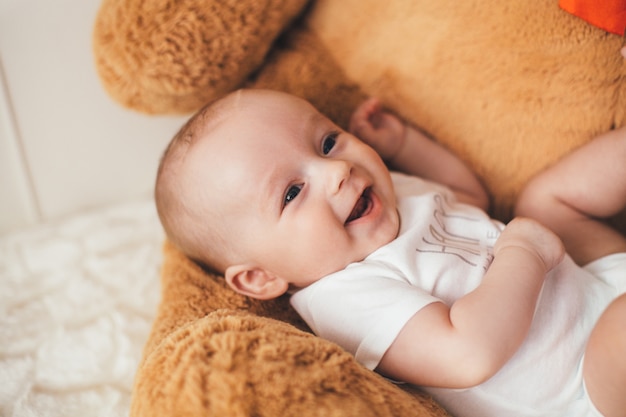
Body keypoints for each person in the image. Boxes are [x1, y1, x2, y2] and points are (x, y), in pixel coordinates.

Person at [155, 88, 626, 417]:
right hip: (582, 383)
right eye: (292, 193)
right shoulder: (345, 296)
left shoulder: (384, 193)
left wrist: (405, 145)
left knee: (548, 197)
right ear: (260, 278)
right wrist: (523, 250)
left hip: (593, 282)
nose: (335, 170)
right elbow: (469, 353)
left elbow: (467, 199)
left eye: (327, 141)